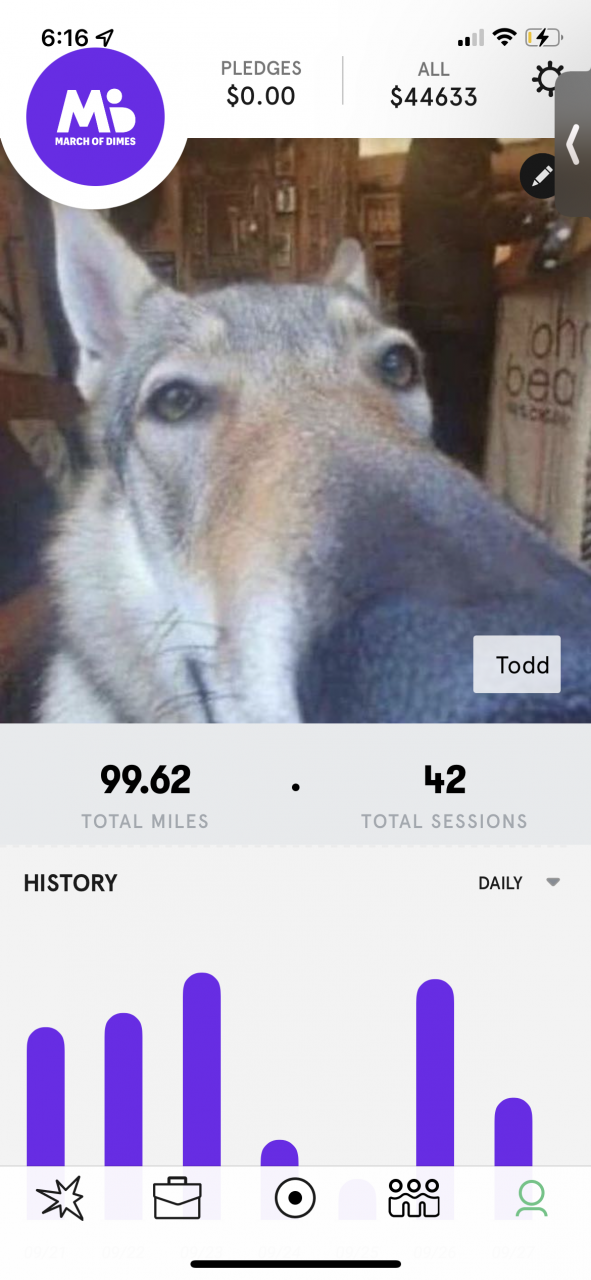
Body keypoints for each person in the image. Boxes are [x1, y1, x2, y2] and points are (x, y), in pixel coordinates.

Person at [399, 139, 550, 473]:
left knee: (448, 418)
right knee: (453, 422)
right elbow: (478, 218)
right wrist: (543, 209)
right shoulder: (448, 142)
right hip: (450, 314)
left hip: (442, 309)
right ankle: (448, 497)